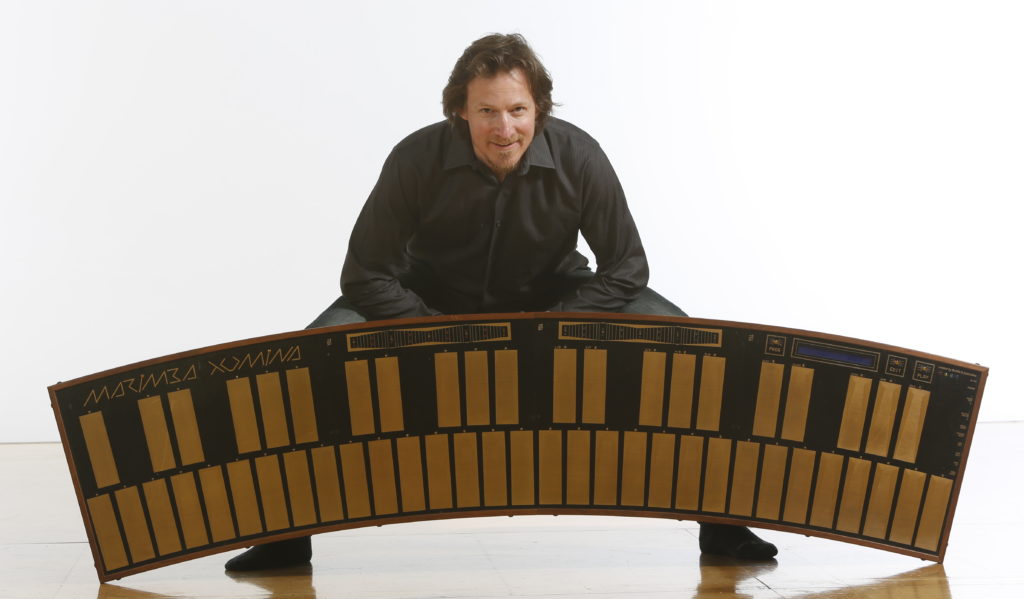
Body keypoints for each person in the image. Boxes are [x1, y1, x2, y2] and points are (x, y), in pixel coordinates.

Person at [225, 33, 777, 572]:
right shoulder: (415, 159)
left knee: (692, 345)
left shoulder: (580, 156)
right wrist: (430, 328)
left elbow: (627, 266)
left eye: (517, 109)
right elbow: (364, 273)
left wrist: (557, 325)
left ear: (539, 107)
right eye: (486, 110)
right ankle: (285, 541)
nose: (504, 128)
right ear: (459, 111)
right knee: (302, 365)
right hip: (427, 299)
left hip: (553, 296)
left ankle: (722, 527)